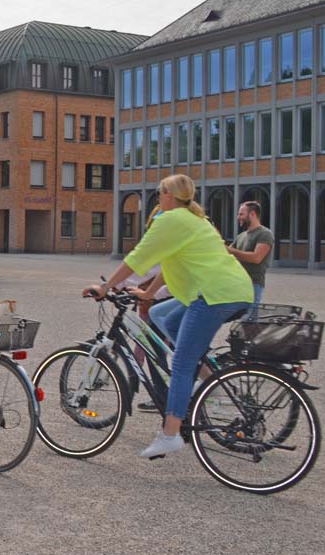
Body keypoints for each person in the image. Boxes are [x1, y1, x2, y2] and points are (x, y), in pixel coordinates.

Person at [82, 173, 252, 459]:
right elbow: (168, 264)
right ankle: (210, 380)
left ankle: (170, 434)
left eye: (160, 192)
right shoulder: (195, 219)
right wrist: (148, 296)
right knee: (163, 315)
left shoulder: (170, 219)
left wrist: (105, 287)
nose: (158, 197)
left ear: (169, 195)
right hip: (232, 291)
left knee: (182, 364)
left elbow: (138, 257)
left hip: (214, 295)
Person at [228, 200, 273, 312]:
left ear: (252, 214)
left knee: (249, 321)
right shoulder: (241, 236)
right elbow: (227, 254)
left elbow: (256, 258)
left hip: (254, 283)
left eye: (241, 214)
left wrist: (230, 250)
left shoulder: (265, 234)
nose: (238, 217)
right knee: (241, 321)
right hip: (238, 283)